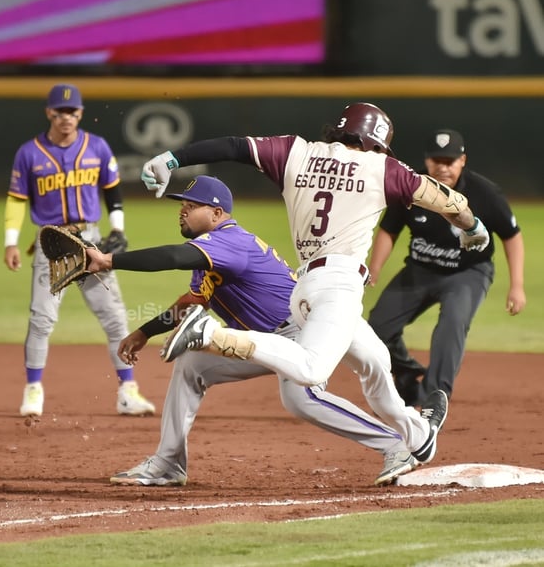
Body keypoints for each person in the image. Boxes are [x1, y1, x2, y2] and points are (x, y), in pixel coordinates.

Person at [139, 102, 492, 468]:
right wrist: (472, 228)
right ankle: (211, 334)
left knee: (375, 361)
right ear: (377, 142)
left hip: (305, 287)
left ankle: (417, 436)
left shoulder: (295, 151)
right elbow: (449, 201)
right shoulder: (381, 168)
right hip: (339, 285)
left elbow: (232, 146)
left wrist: (171, 159)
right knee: (311, 370)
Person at [85, 175, 420, 486]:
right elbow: (192, 301)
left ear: (216, 213)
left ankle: (395, 446)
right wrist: (143, 332)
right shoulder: (211, 250)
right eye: (181, 206)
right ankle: (169, 462)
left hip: (300, 333)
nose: (182, 212)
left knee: (300, 398)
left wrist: (109, 260)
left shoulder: (229, 241)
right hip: (265, 340)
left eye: (190, 206)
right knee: (190, 364)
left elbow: (172, 256)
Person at [3, 83, 155, 418]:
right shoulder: (29, 153)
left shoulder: (96, 147)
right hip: (52, 242)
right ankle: (33, 390)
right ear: (49, 113)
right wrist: (10, 241)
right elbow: (17, 198)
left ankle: (128, 391)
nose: (66, 118)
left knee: (115, 317)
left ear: (81, 113)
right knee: (42, 319)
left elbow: (112, 190)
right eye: (60, 111)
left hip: (91, 240)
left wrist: (118, 229)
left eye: (72, 112)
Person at [367, 129, 525, 407]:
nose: (443, 167)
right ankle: (406, 373)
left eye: (449, 160)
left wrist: (517, 286)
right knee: (377, 327)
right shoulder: (412, 187)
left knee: (451, 327)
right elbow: (388, 230)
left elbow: (512, 236)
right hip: (420, 270)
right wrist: (375, 267)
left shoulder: (484, 193)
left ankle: (433, 398)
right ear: (427, 161)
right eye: (436, 160)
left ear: (462, 160)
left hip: (468, 274)